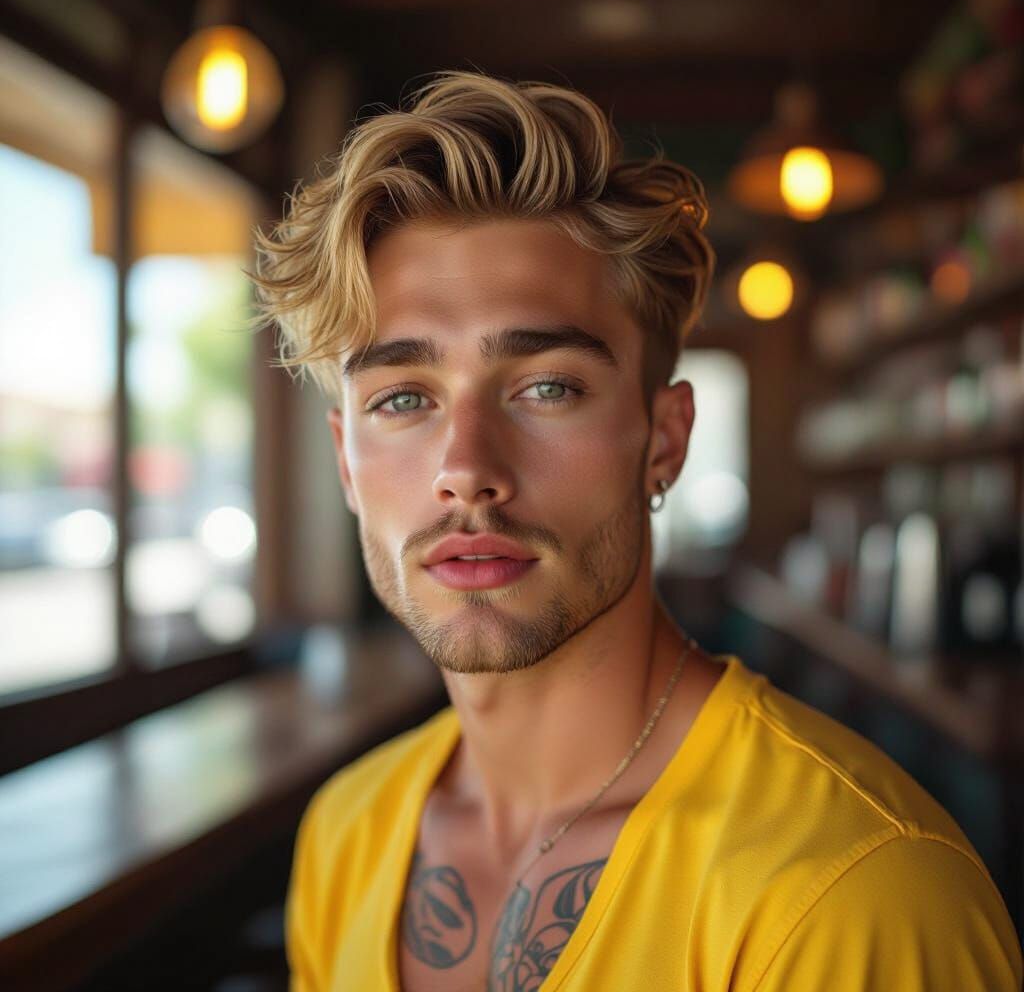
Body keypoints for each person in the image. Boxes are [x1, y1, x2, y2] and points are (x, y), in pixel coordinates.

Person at [252, 70, 1023, 991]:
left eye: (547, 387)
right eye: (403, 397)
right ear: (345, 462)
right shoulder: (346, 831)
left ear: (664, 440)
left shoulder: (857, 895)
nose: (465, 467)